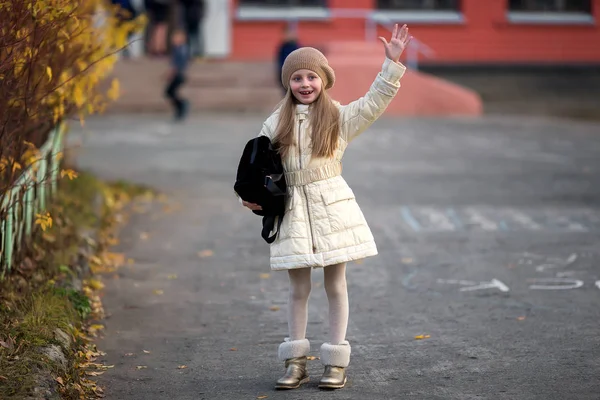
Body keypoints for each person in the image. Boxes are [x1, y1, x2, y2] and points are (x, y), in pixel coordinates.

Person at [241, 24, 412, 390]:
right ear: (288, 83)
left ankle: (336, 360)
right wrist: (249, 193)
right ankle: (295, 362)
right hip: (294, 214)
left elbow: (374, 103)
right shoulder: (276, 121)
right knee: (297, 289)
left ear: (324, 80)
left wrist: (391, 65)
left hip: (333, 208)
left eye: (312, 77)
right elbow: (255, 164)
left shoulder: (337, 118)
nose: (305, 84)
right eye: (297, 77)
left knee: (336, 284)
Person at [164, 29, 189, 121]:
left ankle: (182, 105)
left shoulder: (180, 49)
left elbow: (176, 64)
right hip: (180, 73)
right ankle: (180, 107)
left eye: (176, 37)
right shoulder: (180, 48)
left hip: (178, 74)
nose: (174, 39)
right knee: (171, 92)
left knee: (169, 92)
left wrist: (171, 73)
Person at [275, 24, 300, 95]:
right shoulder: (282, 47)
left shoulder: (297, 47)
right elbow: (279, 63)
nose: (288, 35)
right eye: (286, 33)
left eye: (290, 33)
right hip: (285, 76)